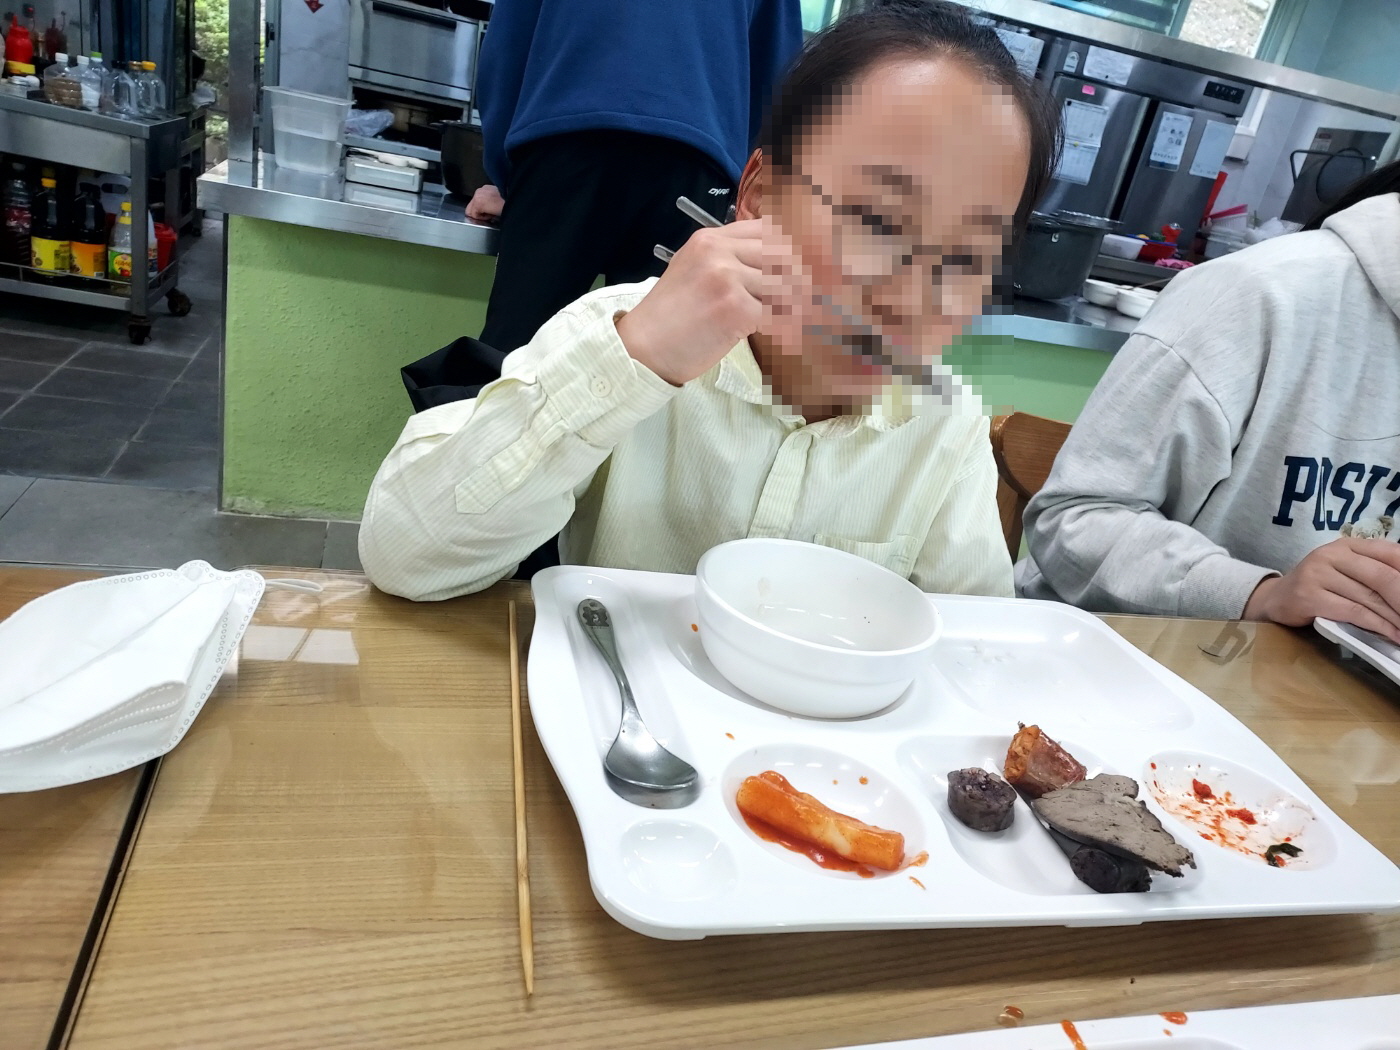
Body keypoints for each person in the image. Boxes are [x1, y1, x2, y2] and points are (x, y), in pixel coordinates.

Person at [359, 0, 1061, 602]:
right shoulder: (623, 332)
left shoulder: (944, 424)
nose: (911, 295)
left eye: (967, 257)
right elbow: (404, 557)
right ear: (758, 195)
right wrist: (633, 361)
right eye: (877, 220)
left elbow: (974, 644)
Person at [1018, 161, 1400, 642]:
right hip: (1114, 651)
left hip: (1331, 678)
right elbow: (1073, 519)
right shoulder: (1257, 293)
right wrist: (1261, 595)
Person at [466, 0, 804, 355]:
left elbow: (509, 42)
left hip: (565, 139)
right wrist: (746, 191)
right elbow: (779, 74)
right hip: (697, 154)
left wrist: (511, 179)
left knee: (513, 352)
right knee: (662, 362)